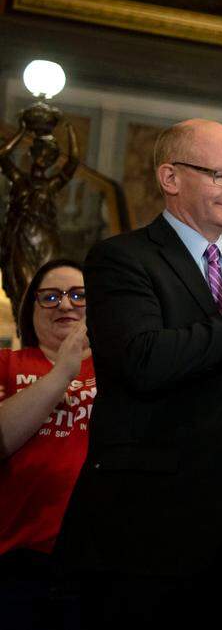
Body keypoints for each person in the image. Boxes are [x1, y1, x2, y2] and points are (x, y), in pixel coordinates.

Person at [55, 118, 222, 629]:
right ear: (170, 178)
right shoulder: (122, 259)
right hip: (148, 534)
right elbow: (145, 362)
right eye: (221, 174)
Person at [0, 260, 91, 628]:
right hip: (16, 561)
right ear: (31, 308)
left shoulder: (124, 370)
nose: (66, 305)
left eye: (79, 295)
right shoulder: (6, 363)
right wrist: (62, 374)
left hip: (97, 565)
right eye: (50, 297)